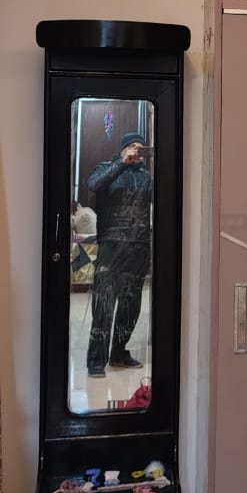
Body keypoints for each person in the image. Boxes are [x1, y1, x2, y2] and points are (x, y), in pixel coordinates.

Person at [86, 132, 153, 376]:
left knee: (130, 306)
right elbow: (94, 185)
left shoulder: (147, 177)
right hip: (111, 246)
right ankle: (96, 360)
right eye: (132, 146)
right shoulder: (106, 167)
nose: (137, 151)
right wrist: (122, 163)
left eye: (141, 148)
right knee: (103, 304)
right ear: (123, 149)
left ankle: (119, 353)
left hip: (139, 247)